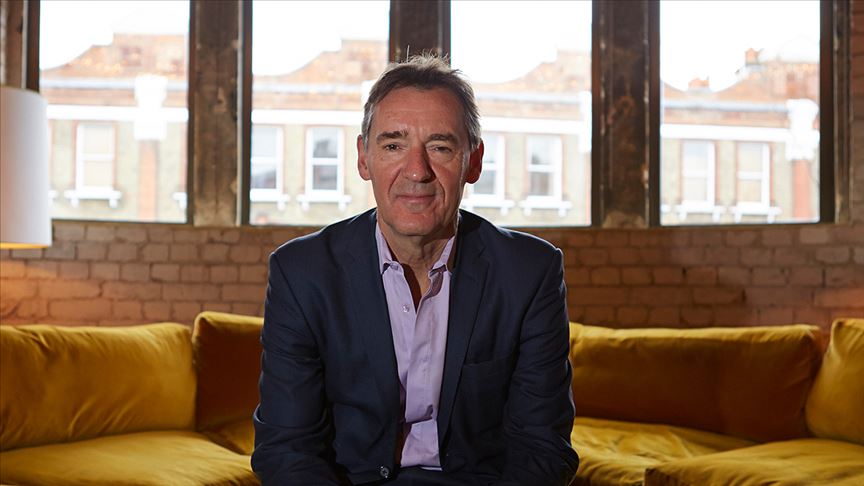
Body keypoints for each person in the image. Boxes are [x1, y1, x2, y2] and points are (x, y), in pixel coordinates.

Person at [252, 55, 578, 485]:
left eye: (440, 147)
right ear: (364, 158)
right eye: (393, 145)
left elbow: (542, 448)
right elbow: (287, 448)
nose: (417, 171)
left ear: (473, 161)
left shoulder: (529, 273)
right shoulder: (302, 274)